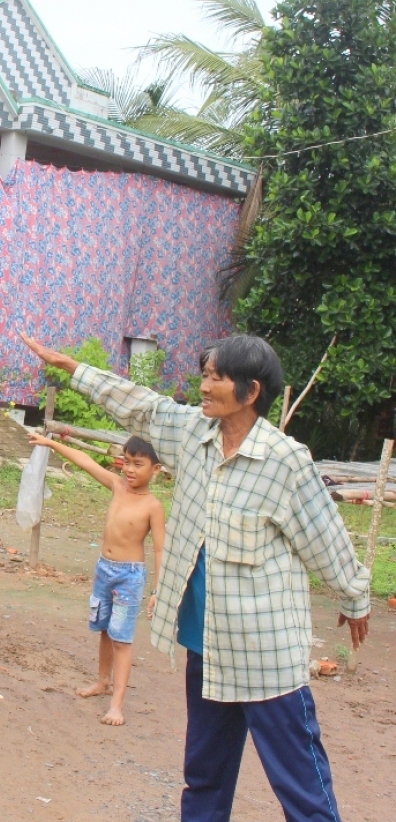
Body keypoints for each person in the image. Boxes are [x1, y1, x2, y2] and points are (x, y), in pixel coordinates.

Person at [21, 332, 371, 819]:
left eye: (216, 377)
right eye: (204, 375)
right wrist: (73, 368)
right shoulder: (193, 434)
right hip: (204, 642)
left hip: (263, 652)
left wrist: (355, 597)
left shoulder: (284, 460)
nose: (204, 386)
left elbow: (324, 537)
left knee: (300, 785)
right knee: (204, 775)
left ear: (250, 392)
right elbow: (140, 407)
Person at [27, 431, 164, 725]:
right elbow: (86, 461)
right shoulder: (117, 486)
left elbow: (160, 549)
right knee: (104, 628)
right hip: (104, 569)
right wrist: (51, 443)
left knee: (122, 639)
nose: (129, 469)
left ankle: (117, 704)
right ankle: (102, 681)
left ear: (155, 469)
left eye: (138, 464)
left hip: (130, 576)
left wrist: (157, 589)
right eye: (126, 462)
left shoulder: (153, 506)